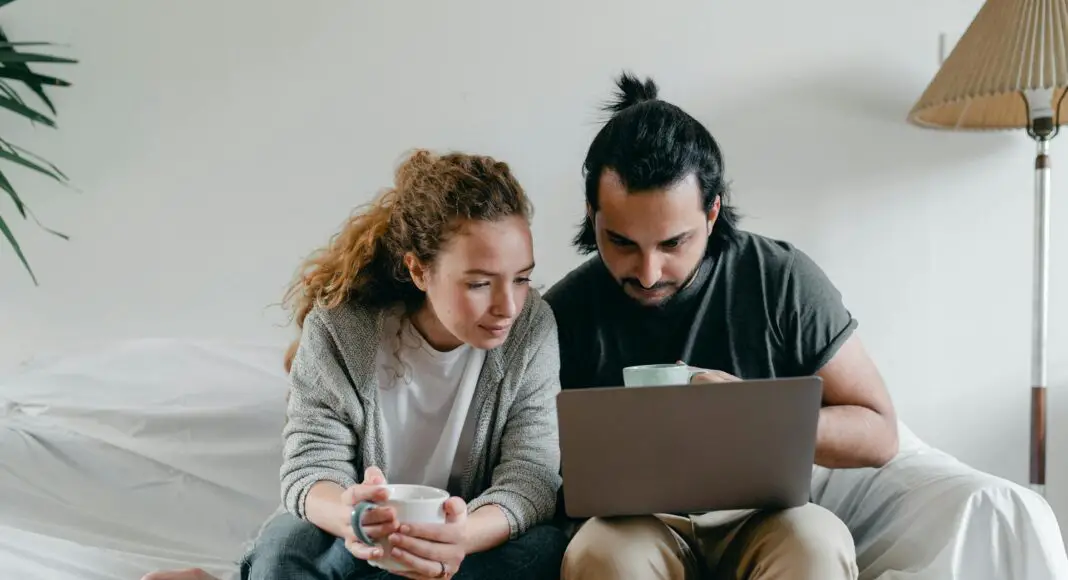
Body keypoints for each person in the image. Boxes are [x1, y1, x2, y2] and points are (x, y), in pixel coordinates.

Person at [143, 149, 567, 580]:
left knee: (542, 551)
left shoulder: (532, 328)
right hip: (357, 536)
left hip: (469, 541)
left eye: (521, 278)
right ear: (419, 271)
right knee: (287, 546)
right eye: (479, 283)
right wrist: (353, 517)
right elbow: (310, 468)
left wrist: (462, 535)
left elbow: (530, 476)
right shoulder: (340, 328)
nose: (508, 306)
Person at [543, 72, 901, 580]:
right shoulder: (564, 311)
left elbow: (880, 434)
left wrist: (753, 418)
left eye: (672, 244)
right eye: (621, 242)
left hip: (764, 515)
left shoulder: (780, 280)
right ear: (592, 214)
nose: (647, 273)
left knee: (816, 545)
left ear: (712, 213)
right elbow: (526, 458)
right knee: (603, 556)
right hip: (629, 522)